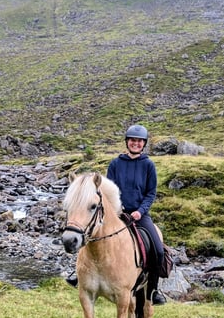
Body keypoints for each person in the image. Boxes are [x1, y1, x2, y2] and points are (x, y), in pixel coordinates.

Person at [67, 124, 167, 305]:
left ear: (143, 144)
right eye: (132, 140)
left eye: (139, 141)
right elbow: (108, 191)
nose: (135, 144)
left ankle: (152, 291)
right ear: (127, 142)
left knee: (158, 250)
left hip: (139, 215)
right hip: (116, 213)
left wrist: (140, 211)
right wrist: (114, 211)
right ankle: (78, 274)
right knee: (89, 235)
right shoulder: (115, 164)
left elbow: (151, 193)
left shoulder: (148, 165)